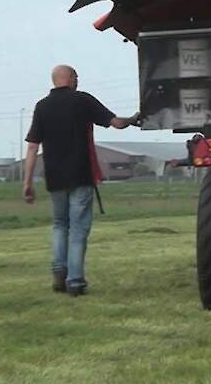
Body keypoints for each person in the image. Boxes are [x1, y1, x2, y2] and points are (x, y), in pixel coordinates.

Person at [22, 65, 139, 297]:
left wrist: (27, 181)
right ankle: (74, 281)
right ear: (70, 79)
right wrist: (134, 119)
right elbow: (115, 122)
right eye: (76, 76)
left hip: (54, 177)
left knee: (59, 225)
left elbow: (33, 145)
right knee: (77, 229)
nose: (78, 80)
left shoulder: (42, 106)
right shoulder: (83, 101)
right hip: (81, 175)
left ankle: (58, 270)